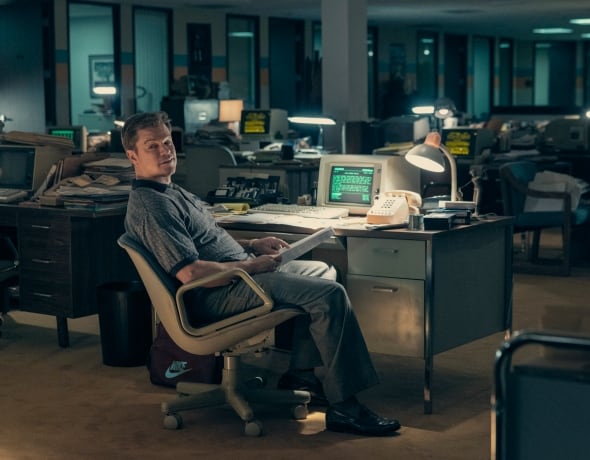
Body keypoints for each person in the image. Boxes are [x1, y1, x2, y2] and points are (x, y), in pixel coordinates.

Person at [121, 111, 400, 436]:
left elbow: (207, 241)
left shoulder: (170, 190)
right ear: (132, 156)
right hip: (215, 293)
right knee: (329, 294)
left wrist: (253, 244)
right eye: (152, 146)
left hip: (237, 277)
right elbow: (190, 272)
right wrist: (252, 266)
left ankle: (303, 374)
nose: (165, 150)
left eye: (167, 142)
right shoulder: (152, 206)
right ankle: (346, 408)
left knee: (323, 270)